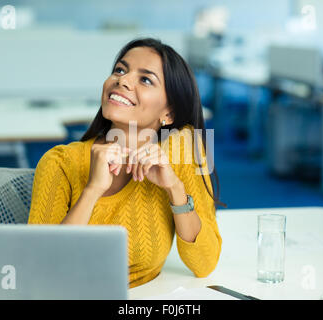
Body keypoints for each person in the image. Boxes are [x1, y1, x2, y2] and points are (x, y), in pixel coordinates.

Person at [28, 38, 223, 288]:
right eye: (120, 70)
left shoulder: (182, 151)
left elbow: (204, 263)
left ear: (169, 113)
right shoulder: (61, 162)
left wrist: (175, 189)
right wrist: (92, 190)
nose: (122, 80)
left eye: (145, 79)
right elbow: (40, 269)